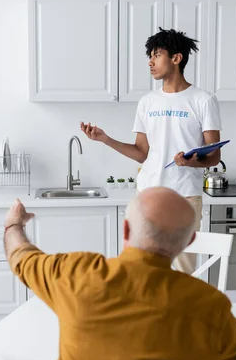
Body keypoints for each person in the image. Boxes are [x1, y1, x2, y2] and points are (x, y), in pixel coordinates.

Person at [4, 187, 236, 360]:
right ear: (189, 241)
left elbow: (21, 257)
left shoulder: (73, 273)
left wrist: (14, 224)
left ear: (125, 228)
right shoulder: (207, 305)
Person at [80, 28, 222, 275]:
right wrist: (105, 139)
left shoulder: (203, 100)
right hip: (147, 195)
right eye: (150, 56)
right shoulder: (148, 102)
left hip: (184, 197)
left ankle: (178, 314)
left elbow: (215, 156)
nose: (150, 62)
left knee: (183, 271)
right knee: (142, 268)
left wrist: (190, 163)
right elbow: (141, 153)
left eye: (157, 55)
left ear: (176, 59)